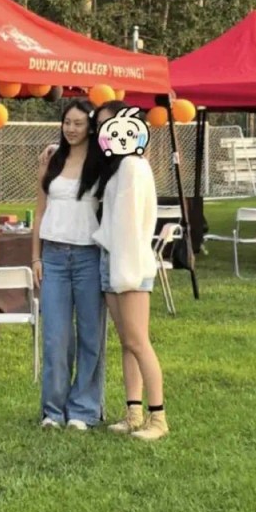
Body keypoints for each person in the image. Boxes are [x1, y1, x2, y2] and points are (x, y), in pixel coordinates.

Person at [91, 100, 169, 441]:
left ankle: (158, 418)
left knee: (138, 341)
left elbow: (131, 226)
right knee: (126, 342)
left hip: (130, 263)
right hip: (112, 259)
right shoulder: (117, 167)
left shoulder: (133, 167)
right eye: (101, 126)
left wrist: (124, 273)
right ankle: (133, 412)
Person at [32, 98, 106, 430]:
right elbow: (40, 212)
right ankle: (53, 411)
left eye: (78, 123)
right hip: (54, 257)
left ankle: (84, 410)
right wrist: (36, 256)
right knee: (56, 338)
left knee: (91, 335)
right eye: (67, 123)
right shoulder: (52, 159)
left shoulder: (102, 162)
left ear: (90, 127)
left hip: (89, 255)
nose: (71, 129)